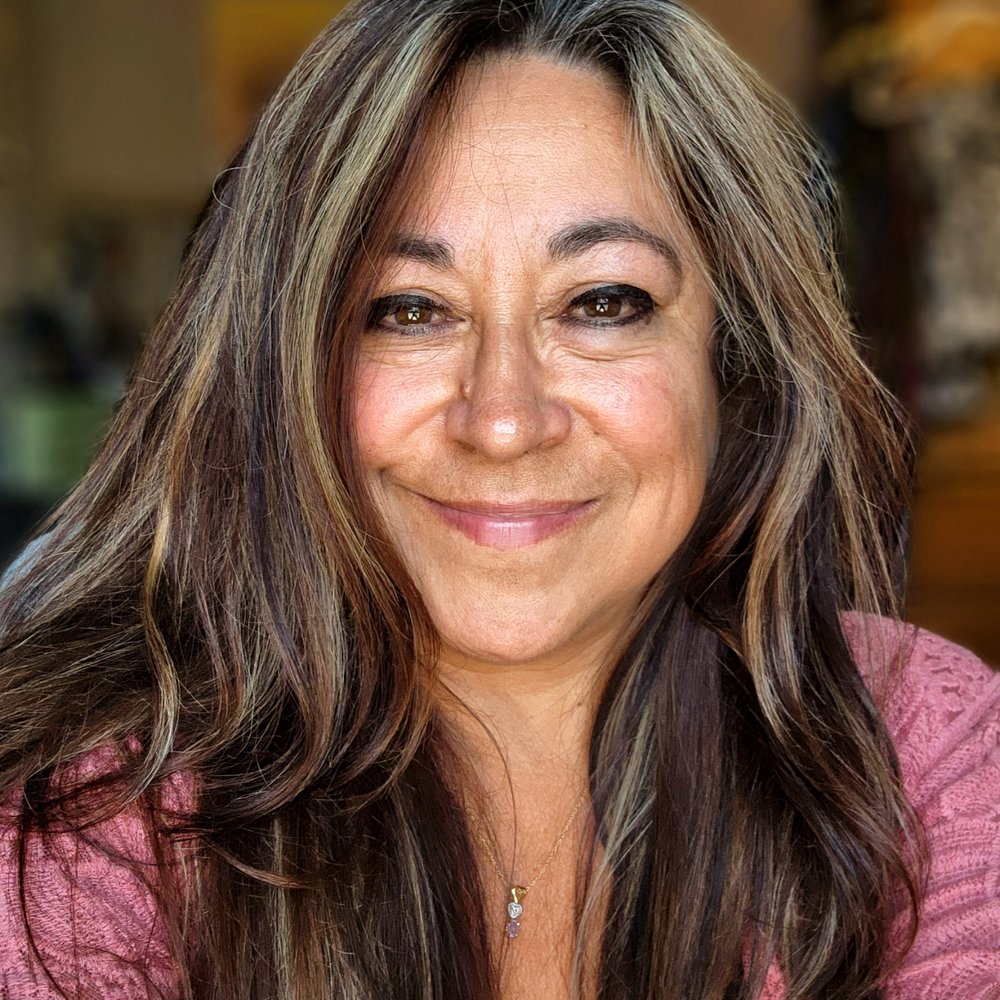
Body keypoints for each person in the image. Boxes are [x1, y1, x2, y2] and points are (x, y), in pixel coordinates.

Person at [1, 0, 997, 997]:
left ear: (731, 364)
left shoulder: (921, 753)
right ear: (280, 371)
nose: (505, 420)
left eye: (602, 303)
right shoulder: (94, 816)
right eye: (408, 310)